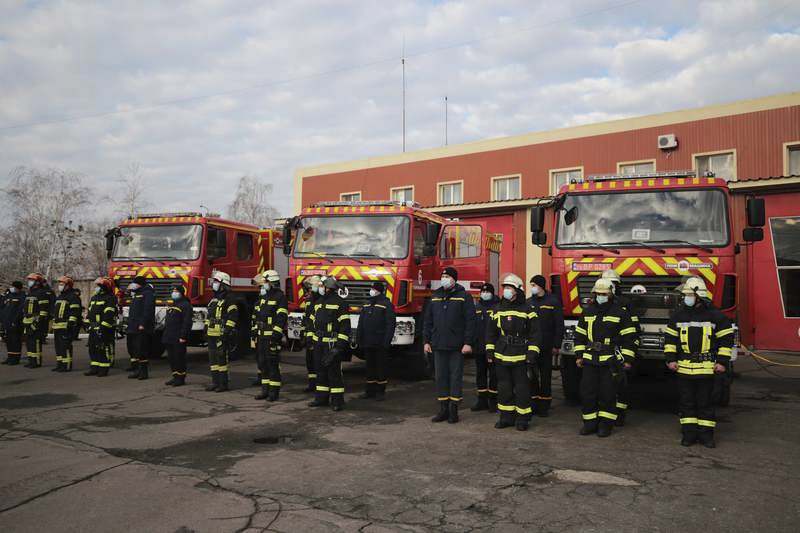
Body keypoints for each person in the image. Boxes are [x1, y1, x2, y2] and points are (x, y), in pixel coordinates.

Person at [664, 277, 734, 448]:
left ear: (699, 296)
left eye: (689, 295)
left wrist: (722, 362)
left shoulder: (716, 316)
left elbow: (726, 341)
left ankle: (706, 436)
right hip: (684, 368)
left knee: (706, 403)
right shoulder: (678, 315)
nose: (685, 298)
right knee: (686, 403)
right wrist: (670, 360)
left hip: (707, 369)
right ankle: (689, 435)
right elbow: (670, 340)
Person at [573, 278, 637, 438]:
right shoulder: (587, 312)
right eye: (598, 294)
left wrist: (627, 359)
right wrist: (579, 355)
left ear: (610, 295)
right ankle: (589, 423)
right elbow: (579, 336)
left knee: (607, 394)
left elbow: (630, 338)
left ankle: (605, 425)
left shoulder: (620, 313)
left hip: (610, 361)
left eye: (604, 294)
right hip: (590, 359)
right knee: (587, 393)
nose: (600, 296)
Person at [486, 274, 541, 431]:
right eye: (505, 288)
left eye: (509, 288)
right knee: (504, 387)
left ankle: (522, 418)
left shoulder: (528, 309)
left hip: (521, 355)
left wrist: (532, 354)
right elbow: (490, 333)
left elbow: (535, 335)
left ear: (517, 290)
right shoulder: (497, 309)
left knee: (522, 387)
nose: (506, 291)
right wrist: (490, 351)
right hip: (502, 354)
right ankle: (506, 417)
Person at [423, 267, 476, 424]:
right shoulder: (435, 296)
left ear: (454, 279)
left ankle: (454, 410)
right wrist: (426, 341)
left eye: (447, 276)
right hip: (438, 345)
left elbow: (470, 322)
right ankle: (443, 409)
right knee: (441, 377)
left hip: (456, 346)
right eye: (443, 276)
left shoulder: (464, 297)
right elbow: (428, 321)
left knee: (455, 377)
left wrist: (468, 343)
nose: (444, 278)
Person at [600, 269, 642, 427]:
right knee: (605, 385)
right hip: (605, 351)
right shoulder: (598, 304)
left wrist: (629, 354)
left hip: (620, 350)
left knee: (621, 384)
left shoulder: (625, 303)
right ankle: (607, 414)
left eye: (613, 284)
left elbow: (633, 330)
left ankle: (620, 414)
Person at [308, 275, 350, 411]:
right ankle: (321, 399)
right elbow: (312, 321)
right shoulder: (319, 302)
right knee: (320, 372)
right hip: (319, 343)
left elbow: (345, 327)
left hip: (332, 344)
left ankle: (337, 401)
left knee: (334, 373)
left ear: (328, 288)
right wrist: (310, 338)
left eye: (322, 286)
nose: (320, 288)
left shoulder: (340, 303)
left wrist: (338, 348)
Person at [527, 275, 564, 417]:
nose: (532, 288)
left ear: (541, 286)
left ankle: (545, 405)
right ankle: (534, 403)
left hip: (547, 346)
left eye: (534, 285)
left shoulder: (553, 302)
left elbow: (559, 325)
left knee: (546, 376)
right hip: (532, 347)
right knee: (532, 376)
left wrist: (556, 344)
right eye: (531, 285)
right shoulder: (528, 302)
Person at [356, 281, 396, 401]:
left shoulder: (386, 305)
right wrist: (359, 338)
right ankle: (370, 391)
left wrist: (386, 342)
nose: (371, 291)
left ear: (379, 291)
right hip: (368, 342)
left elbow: (390, 325)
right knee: (369, 367)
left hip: (380, 343)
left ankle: (380, 392)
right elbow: (361, 324)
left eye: (374, 289)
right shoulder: (367, 304)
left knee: (381, 367)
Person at [252, 270, 288, 402]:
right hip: (261, 337)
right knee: (263, 364)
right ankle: (265, 390)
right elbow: (258, 317)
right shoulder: (264, 297)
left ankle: (273, 393)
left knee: (272, 365)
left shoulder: (280, 297)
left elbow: (281, 317)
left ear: (272, 282)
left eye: (265, 282)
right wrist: (255, 331)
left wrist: (276, 335)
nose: (263, 284)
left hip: (271, 337)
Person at [204, 271, 239, 392]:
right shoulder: (214, 299)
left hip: (221, 335)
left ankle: (223, 384)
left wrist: (226, 333)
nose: (214, 283)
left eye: (216, 281)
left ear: (223, 284)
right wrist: (206, 328)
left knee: (221, 360)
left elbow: (233, 317)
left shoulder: (230, 299)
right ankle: (215, 382)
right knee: (213, 361)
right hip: (211, 335)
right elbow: (209, 316)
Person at [471, 283, 498, 412]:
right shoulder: (477, 307)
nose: (484, 293)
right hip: (479, 347)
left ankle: (493, 401)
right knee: (480, 374)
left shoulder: (497, 307)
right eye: (483, 291)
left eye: (487, 291)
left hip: (493, 348)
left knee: (494, 375)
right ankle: (482, 400)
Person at [85, 277, 117, 377]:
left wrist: (102, 328)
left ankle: (103, 369)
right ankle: (94, 367)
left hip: (103, 328)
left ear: (104, 287)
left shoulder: (110, 298)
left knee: (102, 348)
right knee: (92, 348)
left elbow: (109, 315)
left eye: (99, 286)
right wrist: (87, 323)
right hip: (93, 328)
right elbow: (89, 312)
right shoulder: (94, 298)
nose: (96, 288)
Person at [126, 276, 155, 380]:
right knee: (135, 349)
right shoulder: (137, 293)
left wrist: (143, 323)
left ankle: (143, 372)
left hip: (142, 327)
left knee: (142, 349)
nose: (133, 284)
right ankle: (137, 371)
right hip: (133, 326)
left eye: (134, 283)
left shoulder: (148, 294)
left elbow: (148, 310)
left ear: (140, 284)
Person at [51, 276, 82, 372]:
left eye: (62, 284)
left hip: (66, 326)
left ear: (68, 285)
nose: (60, 286)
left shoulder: (73, 296)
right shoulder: (60, 296)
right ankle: (60, 364)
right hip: (57, 326)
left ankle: (67, 365)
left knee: (66, 346)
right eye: (59, 284)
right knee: (58, 346)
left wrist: (71, 323)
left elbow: (75, 311)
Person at [163, 284, 192, 386]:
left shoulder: (185, 305)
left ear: (181, 293)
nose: (174, 293)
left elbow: (187, 322)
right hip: (170, 336)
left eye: (176, 291)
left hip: (179, 337)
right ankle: (175, 376)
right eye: (173, 291)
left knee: (179, 358)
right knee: (172, 358)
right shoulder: (174, 304)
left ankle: (181, 378)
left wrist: (183, 336)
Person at [22, 273, 53, 368]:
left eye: (31, 280)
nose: (29, 282)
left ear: (37, 282)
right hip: (27, 321)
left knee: (35, 343)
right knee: (29, 343)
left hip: (35, 321)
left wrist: (37, 323)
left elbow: (43, 311)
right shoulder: (30, 292)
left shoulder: (41, 293)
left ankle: (36, 362)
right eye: (29, 280)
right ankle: (31, 360)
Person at [301, 275, 322, 393]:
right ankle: (312, 384)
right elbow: (307, 318)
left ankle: (320, 384)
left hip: (318, 337)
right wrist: (304, 334)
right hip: (309, 336)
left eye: (309, 288)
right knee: (310, 361)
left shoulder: (321, 301)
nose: (307, 291)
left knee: (318, 361)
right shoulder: (309, 301)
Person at [1, 281, 25, 366]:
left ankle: (15, 358)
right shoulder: (9, 296)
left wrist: (16, 321)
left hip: (16, 323)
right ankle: (10, 357)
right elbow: (3, 308)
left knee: (15, 341)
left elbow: (20, 311)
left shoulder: (22, 297)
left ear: (18, 288)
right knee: (8, 341)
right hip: (7, 322)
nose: (12, 288)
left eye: (14, 287)